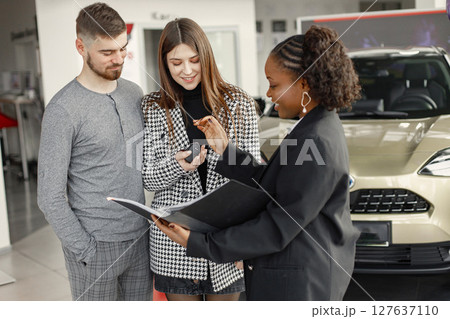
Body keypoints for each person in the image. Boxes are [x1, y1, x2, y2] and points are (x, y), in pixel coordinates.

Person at [152, 25, 361, 301]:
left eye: (274, 84)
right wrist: (226, 150)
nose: (270, 95)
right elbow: (275, 184)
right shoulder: (318, 126)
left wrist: (200, 243)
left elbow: (277, 225)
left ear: (304, 84)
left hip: (301, 280)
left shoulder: (316, 138)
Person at [37, 2, 151, 301]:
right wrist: (84, 248)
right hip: (94, 245)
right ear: (81, 47)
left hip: (140, 239)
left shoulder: (133, 93)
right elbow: (49, 195)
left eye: (123, 49)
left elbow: (140, 159)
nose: (119, 59)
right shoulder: (62, 110)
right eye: (107, 52)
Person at [141, 18, 260, 301]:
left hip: (227, 240)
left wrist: (225, 148)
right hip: (174, 245)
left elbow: (255, 177)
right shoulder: (153, 106)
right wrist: (178, 165)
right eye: (176, 62)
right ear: (164, 63)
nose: (187, 70)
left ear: (206, 57)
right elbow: (147, 176)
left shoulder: (238, 102)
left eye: (194, 60)